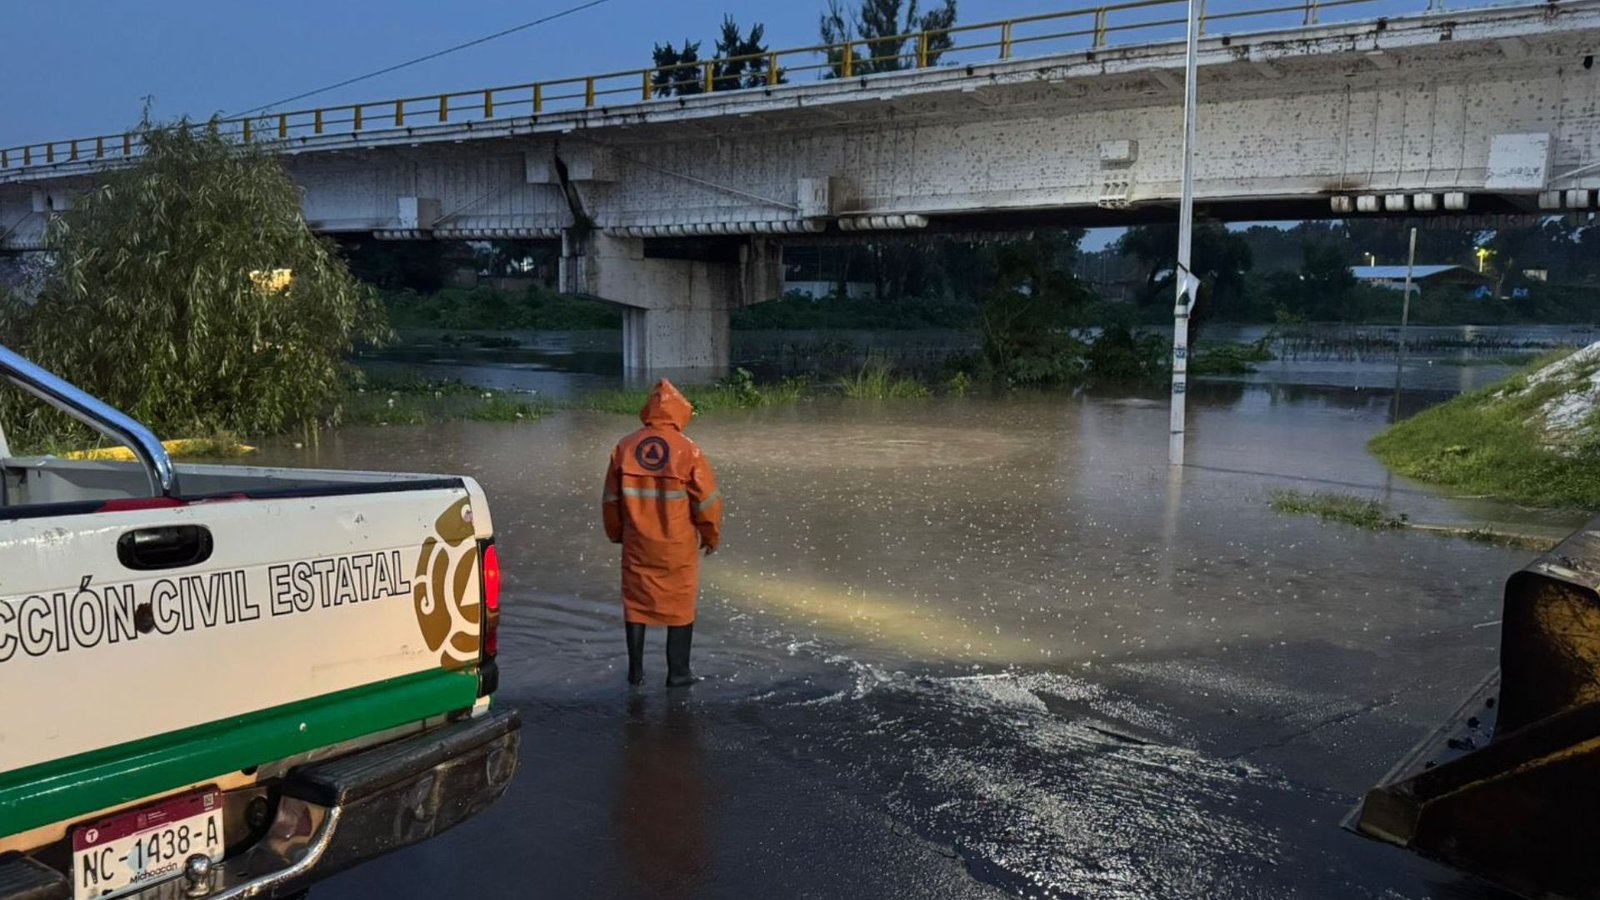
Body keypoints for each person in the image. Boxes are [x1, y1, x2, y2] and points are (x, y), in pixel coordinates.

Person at [602, 379, 723, 687]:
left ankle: (635, 673)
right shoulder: (689, 450)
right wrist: (711, 536)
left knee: (636, 603)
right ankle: (678, 673)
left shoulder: (624, 447)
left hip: (637, 542)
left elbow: (611, 500)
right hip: (676, 546)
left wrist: (616, 534)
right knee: (680, 606)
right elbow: (707, 501)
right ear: (680, 412)